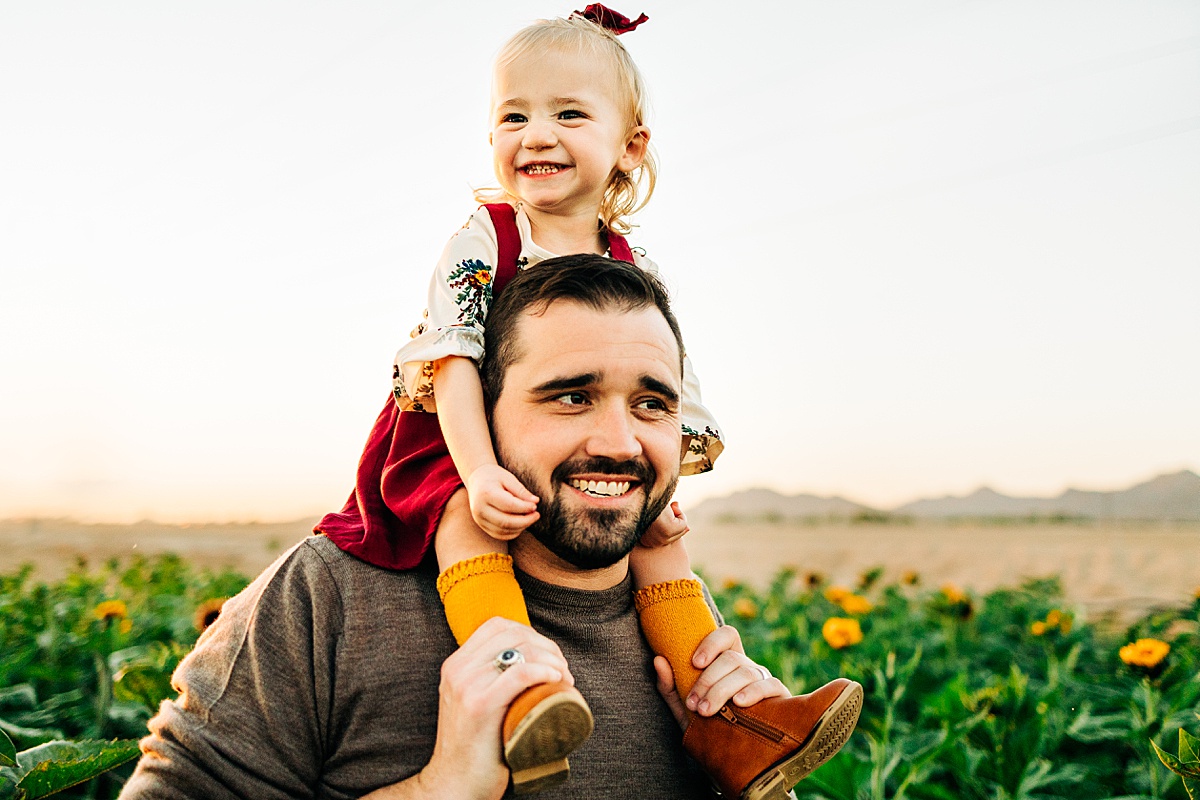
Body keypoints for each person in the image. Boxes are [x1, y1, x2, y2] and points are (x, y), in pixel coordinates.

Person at [312, 6, 861, 796]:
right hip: (453, 436)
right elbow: (453, 358)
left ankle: (730, 721)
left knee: (663, 541)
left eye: (568, 113)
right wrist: (475, 469)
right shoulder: (488, 236)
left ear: (630, 145)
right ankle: (526, 696)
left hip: (563, 458)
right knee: (466, 523)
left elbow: (665, 382)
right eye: (513, 116)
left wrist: (656, 483)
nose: (536, 135)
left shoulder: (630, 260)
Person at [119, 256, 860, 800]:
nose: (621, 442)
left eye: (652, 404)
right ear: (478, 417)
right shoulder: (329, 598)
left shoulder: (686, 641)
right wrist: (439, 789)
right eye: (570, 397)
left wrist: (748, 780)